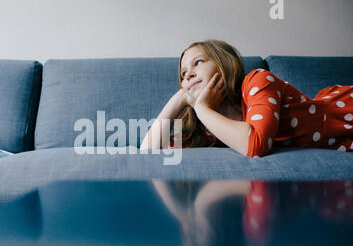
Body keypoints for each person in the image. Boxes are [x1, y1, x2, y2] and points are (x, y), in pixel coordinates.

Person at [140, 39, 353, 157]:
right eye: (183, 75)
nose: (190, 75)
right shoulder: (209, 131)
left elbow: (255, 145)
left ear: (223, 63)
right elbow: (146, 152)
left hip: (344, 111)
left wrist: (203, 108)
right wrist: (179, 100)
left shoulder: (257, 81)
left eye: (198, 63)